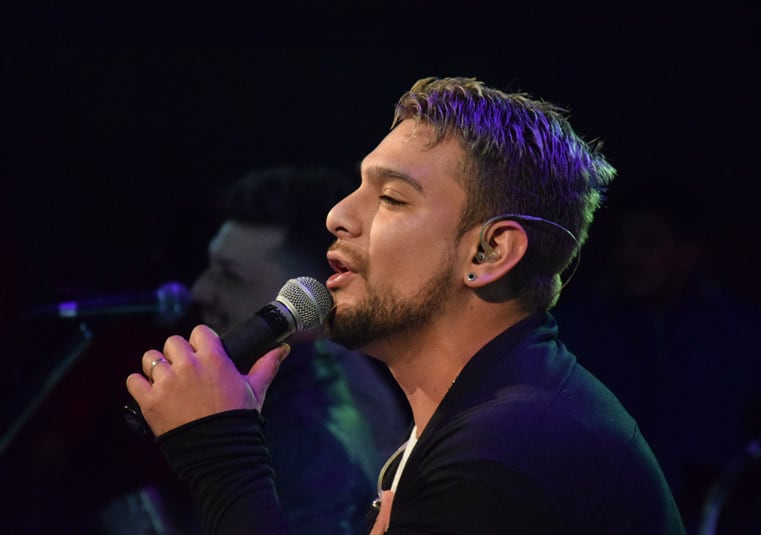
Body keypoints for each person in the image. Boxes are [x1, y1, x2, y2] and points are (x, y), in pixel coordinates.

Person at [127, 77, 685, 533]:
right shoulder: (493, 410)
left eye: (391, 198)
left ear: (489, 252)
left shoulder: (500, 460)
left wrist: (222, 454)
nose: (339, 215)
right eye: (360, 187)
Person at [110, 166, 409, 534]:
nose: (200, 290)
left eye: (230, 275)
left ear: (311, 299)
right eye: (210, 267)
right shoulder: (317, 382)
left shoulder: (320, 435)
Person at [553, 177, 761, 532]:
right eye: (622, 241)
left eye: (647, 243)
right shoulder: (580, 324)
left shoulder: (736, 330)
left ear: (687, 252)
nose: (628, 255)